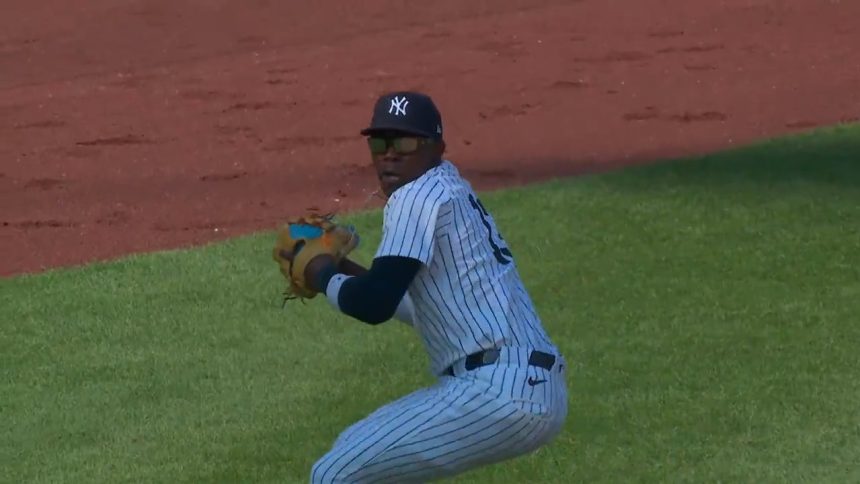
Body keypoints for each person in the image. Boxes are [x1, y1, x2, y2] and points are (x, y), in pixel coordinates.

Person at [301, 91, 568, 483]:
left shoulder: (416, 196)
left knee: (334, 475)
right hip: (527, 387)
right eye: (380, 142)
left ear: (436, 147)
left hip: (499, 390)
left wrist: (322, 274)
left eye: (405, 142)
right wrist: (345, 269)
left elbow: (374, 304)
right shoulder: (448, 188)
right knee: (353, 452)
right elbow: (410, 303)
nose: (389, 154)